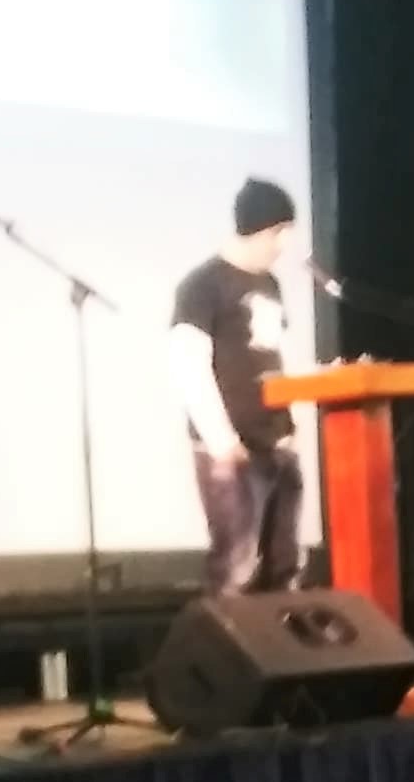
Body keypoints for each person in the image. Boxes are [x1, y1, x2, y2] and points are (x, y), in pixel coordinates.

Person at [170, 177, 303, 594]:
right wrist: (222, 442)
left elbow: (274, 357)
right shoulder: (202, 286)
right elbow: (189, 366)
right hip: (232, 452)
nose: (283, 244)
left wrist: (290, 427)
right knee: (236, 570)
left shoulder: (270, 285)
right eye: (279, 232)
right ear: (258, 229)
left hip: (276, 445)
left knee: (283, 566)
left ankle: (283, 638)